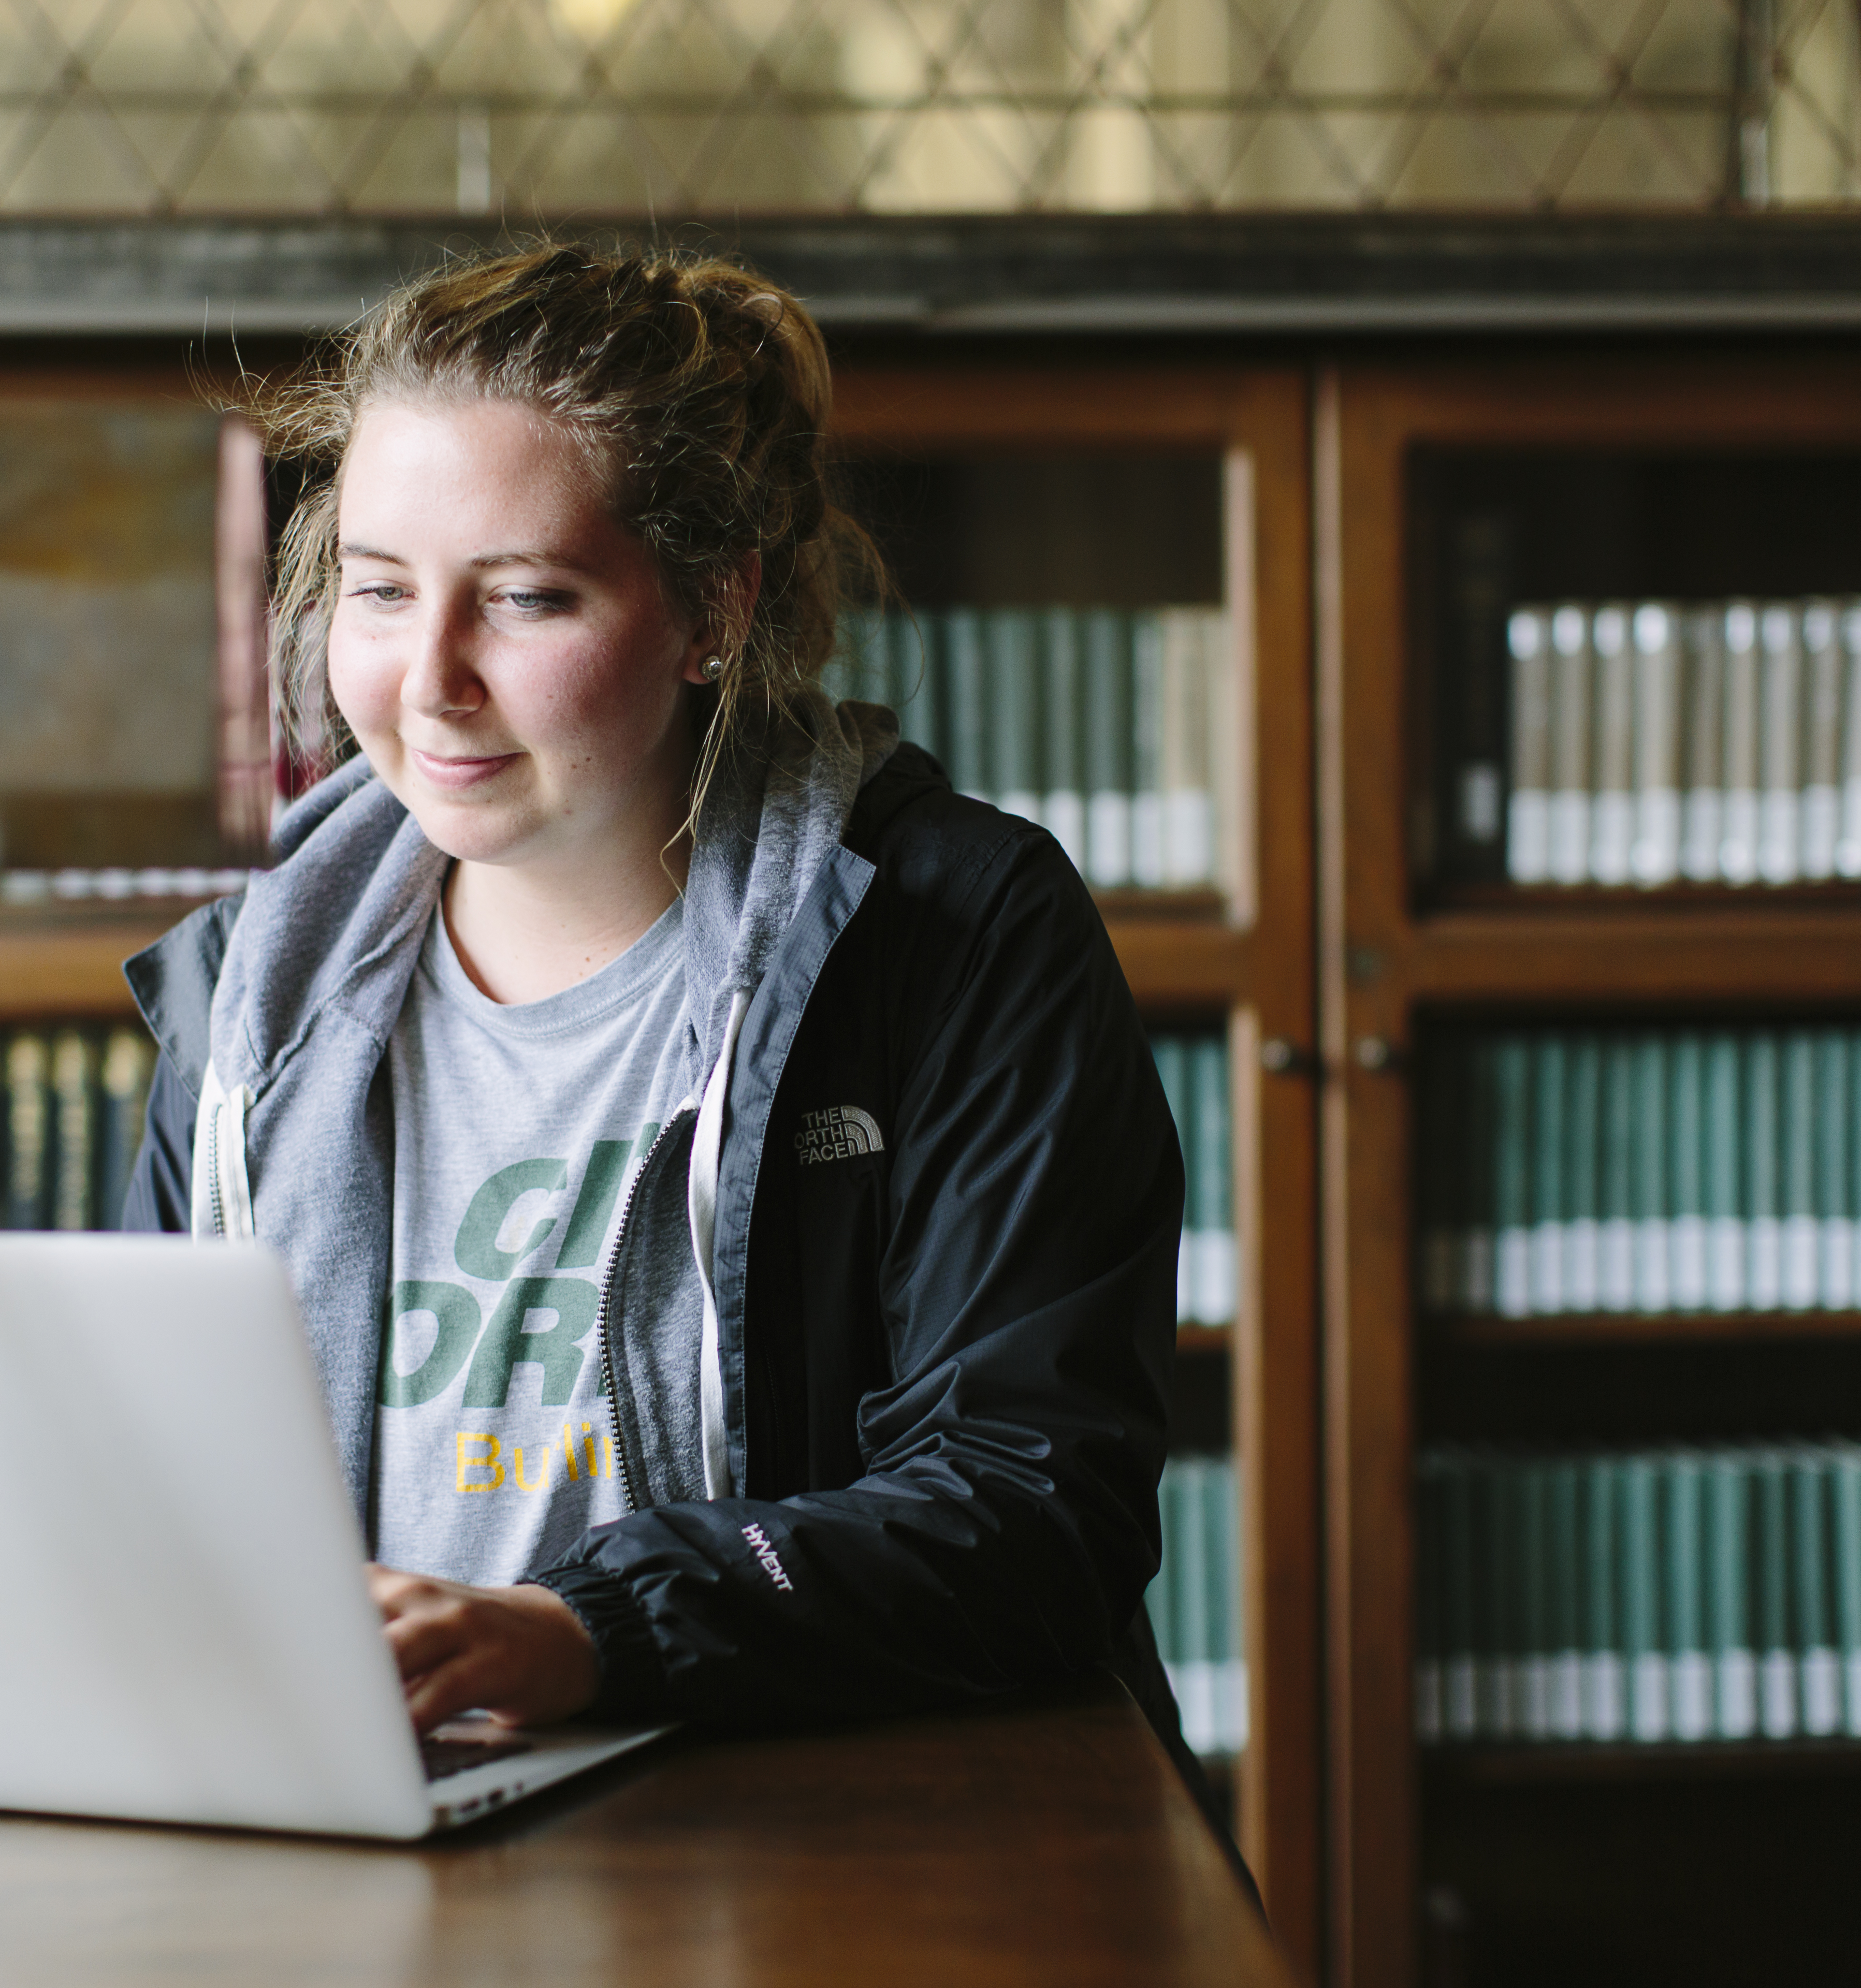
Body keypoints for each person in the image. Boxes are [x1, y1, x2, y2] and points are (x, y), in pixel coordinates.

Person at [121, 243, 1200, 1799]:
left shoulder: (958, 931)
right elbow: (147, 1479)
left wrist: (588, 1629)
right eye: (378, 592)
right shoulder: (245, 989)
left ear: (714, 606)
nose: (431, 684)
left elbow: (1035, 1512)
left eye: (525, 598)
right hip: (376, 1823)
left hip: (828, 1834)